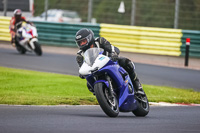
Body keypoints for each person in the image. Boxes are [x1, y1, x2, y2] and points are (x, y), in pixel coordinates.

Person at [75, 28, 143, 93]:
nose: (82, 44)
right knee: (89, 84)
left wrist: (113, 55)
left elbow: (112, 48)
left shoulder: (100, 41)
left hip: (109, 63)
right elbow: (81, 67)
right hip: (95, 70)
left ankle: (138, 86)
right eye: (80, 42)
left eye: (84, 41)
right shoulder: (80, 55)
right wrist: (82, 74)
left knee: (126, 62)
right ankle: (103, 95)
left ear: (89, 38)